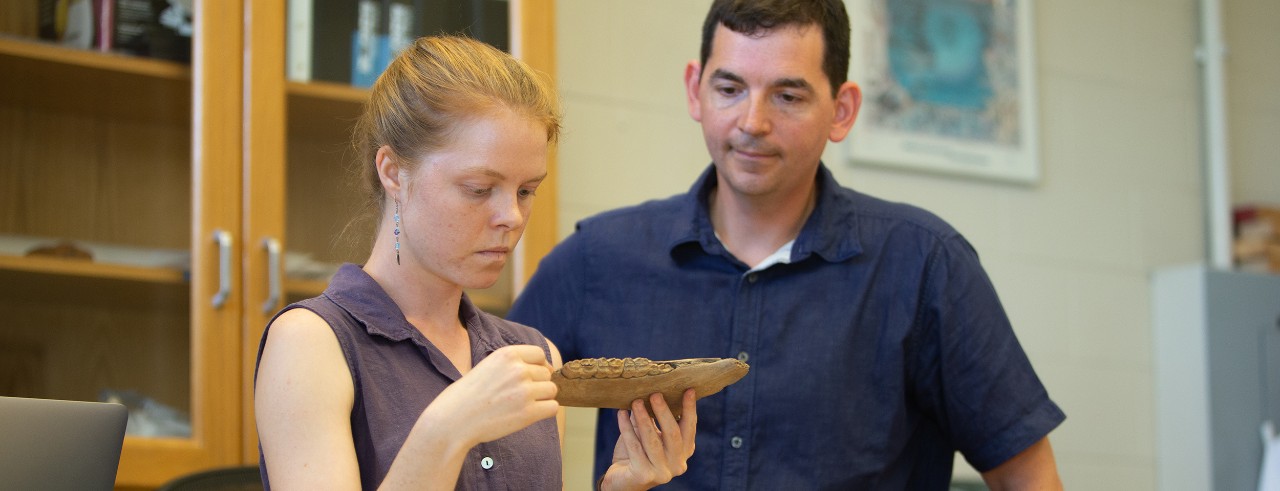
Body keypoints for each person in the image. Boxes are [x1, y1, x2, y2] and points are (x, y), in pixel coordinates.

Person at [507, 1, 1066, 489]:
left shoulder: (925, 266)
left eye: (788, 96)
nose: (753, 122)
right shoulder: (597, 259)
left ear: (841, 109)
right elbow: (485, 429)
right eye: (729, 89)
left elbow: (1028, 478)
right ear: (694, 90)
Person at [254, 35, 697, 491]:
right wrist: (446, 430)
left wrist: (620, 488)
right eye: (479, 189)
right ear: (392, 171)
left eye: (526, 191)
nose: (512, 217)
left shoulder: (535, 355)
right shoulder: (312, 342)